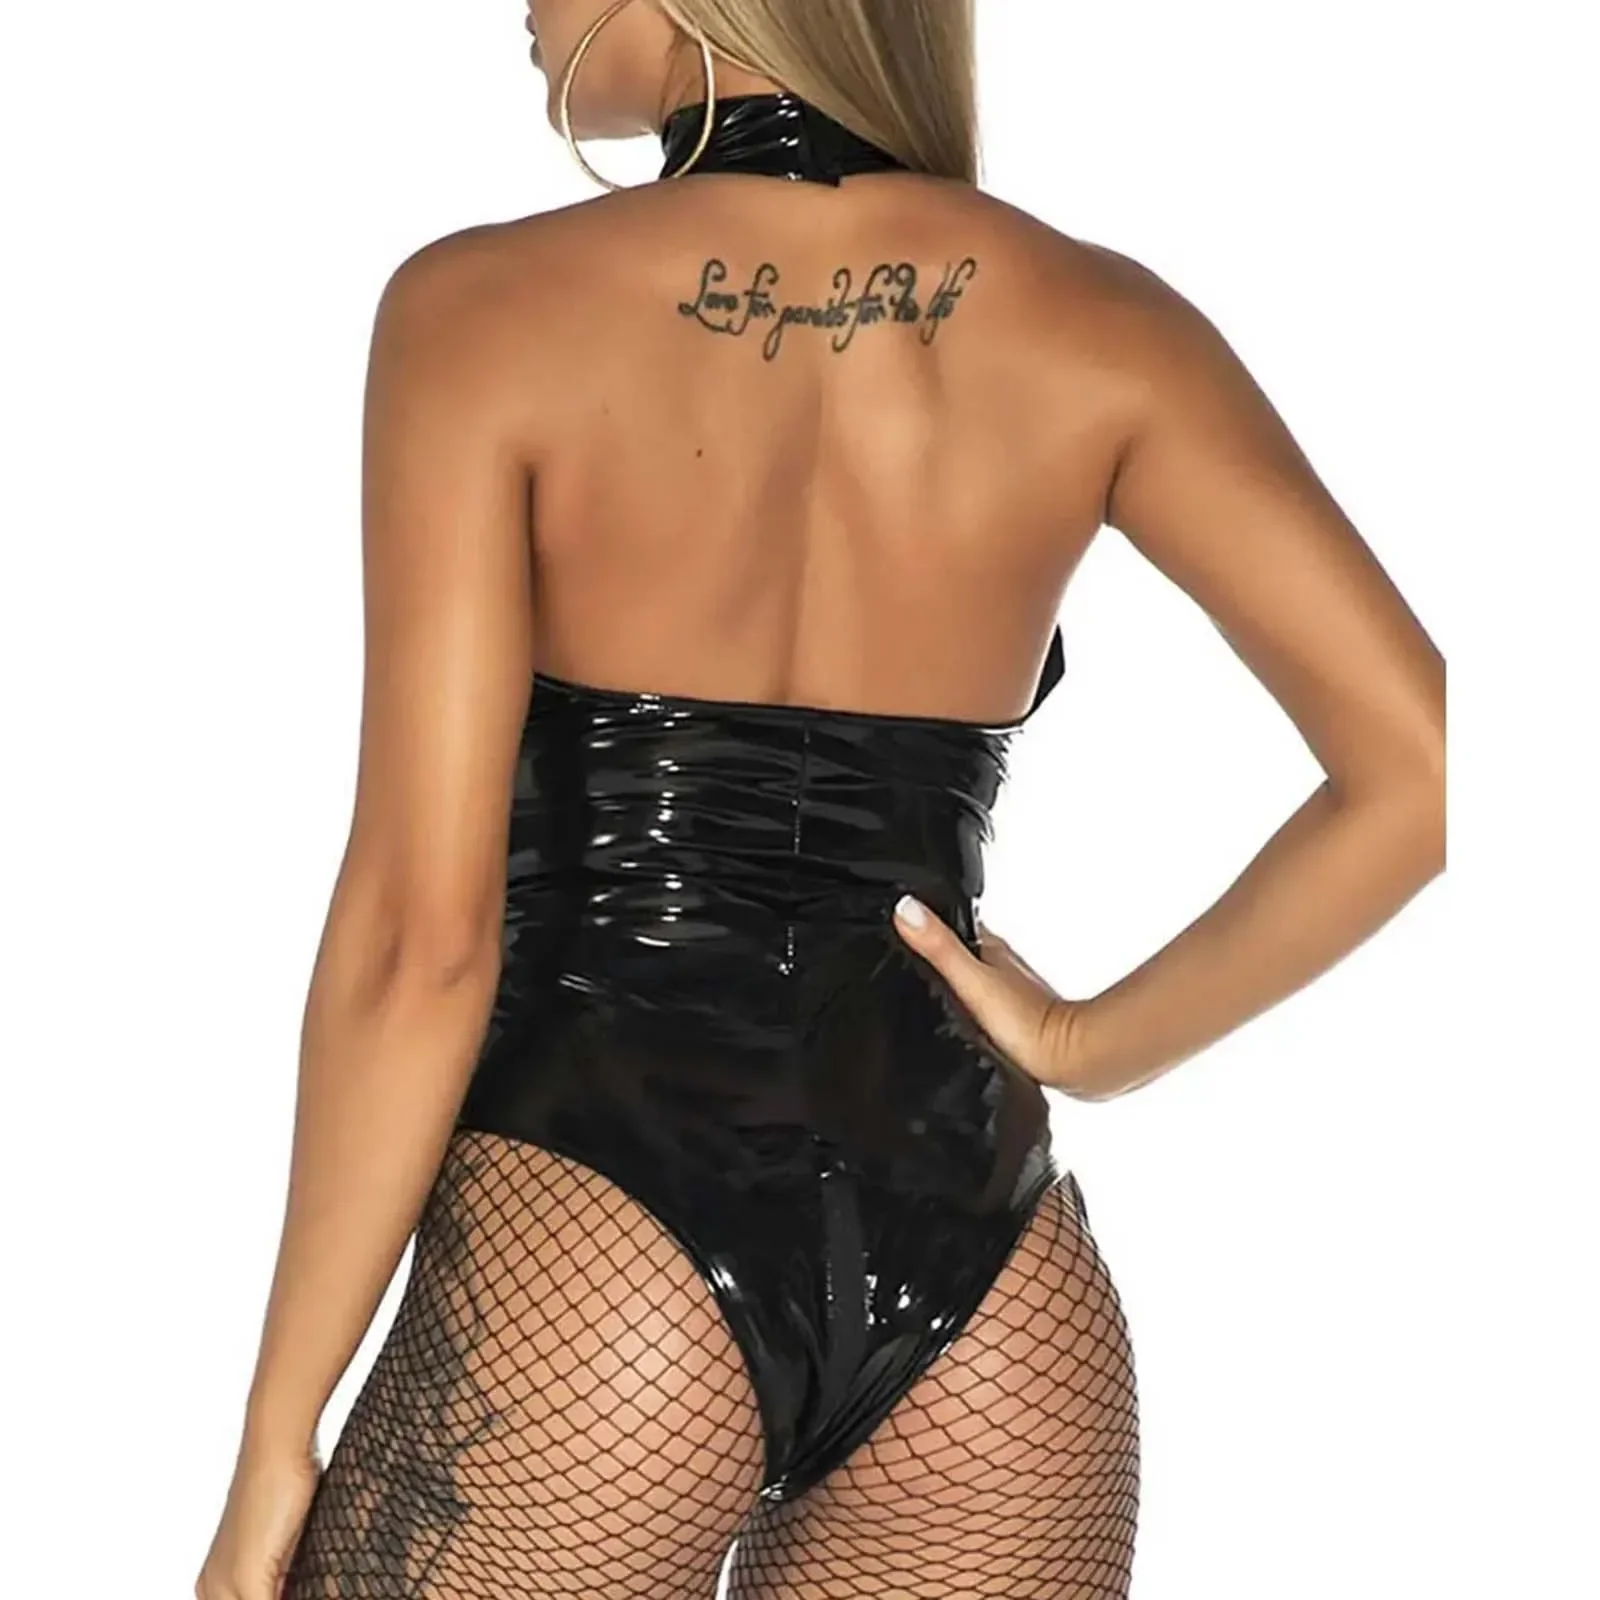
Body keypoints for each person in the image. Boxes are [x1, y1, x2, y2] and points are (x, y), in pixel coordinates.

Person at [196, 2, 1447, 1596]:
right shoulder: (1106, 325)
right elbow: (1426, 771)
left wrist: (277, 1433)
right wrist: (1092, 1047)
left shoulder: (482, 312)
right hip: (995, 1307)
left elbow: (418, 949)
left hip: (595, 1263)